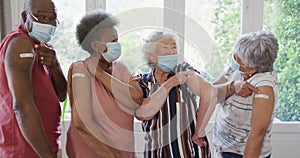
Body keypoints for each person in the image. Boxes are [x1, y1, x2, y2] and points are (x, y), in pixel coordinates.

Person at [66, 11, 145, 158]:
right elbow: (82, 123)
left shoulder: (119, 67)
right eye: (112, 41)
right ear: (95, 45)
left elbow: (136, 100)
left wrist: (100, 73)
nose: (117, 44)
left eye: (117, 40)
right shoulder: (80, 70)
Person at [0, 0, 67, 157]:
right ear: (25, 16)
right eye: (41, 17)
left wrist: (55, 66)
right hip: (25, 151)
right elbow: (22, 108)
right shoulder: (20, 44)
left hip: (45, 147)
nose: (48, 23)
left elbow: (62, 95)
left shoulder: (45, 47)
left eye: (52, 19)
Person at [135, 30, 217, 158]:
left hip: (189, 152)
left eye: (174, 47)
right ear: (152, 55)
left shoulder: (185, 72)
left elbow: (210, 93)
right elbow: (143, 114)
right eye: (165, 47)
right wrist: (170, 83)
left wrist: (199, 131)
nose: (171, 52)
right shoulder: (143, 82)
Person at [213, 31, 279, 158]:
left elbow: (258, 134)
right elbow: (211, 94)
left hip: (241, 153)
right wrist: (231, 87)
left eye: (238, 57)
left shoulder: (264, 87)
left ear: (252, 68)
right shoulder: (236, 69)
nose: (233, 58)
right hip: (223, 146)